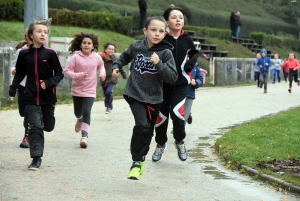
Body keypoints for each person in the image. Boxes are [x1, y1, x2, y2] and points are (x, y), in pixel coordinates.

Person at [112, 15, 177, 180]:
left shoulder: (165, 52)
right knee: (141, 125)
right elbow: (124, 56)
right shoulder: (137, 46)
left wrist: (159, 64)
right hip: (134, 93)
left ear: (165, 33)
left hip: (154, 98)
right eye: (153, 30)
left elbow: (172, 77)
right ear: (145, 30)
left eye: (161, 31)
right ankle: (135, 162)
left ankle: (141, 157)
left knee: (148, 131)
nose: (157, 34)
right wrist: (117, 66)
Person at [9, 18, 64, 170]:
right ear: (31, 35)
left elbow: (60, 74)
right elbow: (19, 73)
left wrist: (49, 83)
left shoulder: (51, 53)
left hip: (48, 97)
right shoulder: (24, 54)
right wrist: (13, 88)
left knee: (48, 126)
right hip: (31, 96)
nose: (43, 34)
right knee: (35, 127)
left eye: (45, 32)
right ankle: (36, 158)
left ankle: (45, 125)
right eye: (39, 31)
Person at [153, 7, 199, 162]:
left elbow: (194, 53)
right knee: (160, 119)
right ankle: (160, 144)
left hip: (180, 84)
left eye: (181, 17)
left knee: (178, 115)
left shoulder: (187, 38)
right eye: (174, 17)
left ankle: (179, 141)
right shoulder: (162, 39)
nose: (178, 20)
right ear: (166, 22)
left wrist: (189, 66)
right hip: (162, 85)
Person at [64, 33, 106, 148]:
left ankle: (84, 136)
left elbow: (101, 67)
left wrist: (102, 74)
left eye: (89, 43)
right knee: (78, 112)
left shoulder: (97, 57)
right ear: (80, 45)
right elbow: (67, 71)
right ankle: (79, 119)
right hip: (77, 90)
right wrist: (79, 75)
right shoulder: (75, 57)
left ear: (93, 46)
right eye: (84, 43)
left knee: (87, 111)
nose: (86, 45)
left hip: (90, 90)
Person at [11, 31, 32, 148]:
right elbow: (13, 65)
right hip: (22, 85)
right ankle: (27, 119)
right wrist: (13, 70)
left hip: (34, 87)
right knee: (22, 112)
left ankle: (27, 137)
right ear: (26, 38)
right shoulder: (21, 52)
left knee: (29, 109)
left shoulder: (43, 52)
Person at [100, 42, 126, 114]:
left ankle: (108, 107)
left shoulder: (116, 59)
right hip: (103, 79)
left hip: (113, 79)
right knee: (106, 94)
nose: (111, 50)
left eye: (112, 49)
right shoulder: (101, 58)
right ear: (105, 49)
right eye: (109, 49)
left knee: (109, 92)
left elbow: (120, 67)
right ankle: (109, 105)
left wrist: (124, 75)